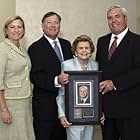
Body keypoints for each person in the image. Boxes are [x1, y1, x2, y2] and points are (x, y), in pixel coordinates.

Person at [96, 5, 140, 140]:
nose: (113, 20)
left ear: (125, 19)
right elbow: (99, 71)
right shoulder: (102, 41)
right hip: (107, 111)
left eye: (117, 16)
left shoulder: (137, 41)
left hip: (130, 109)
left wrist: (114, 83)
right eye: (110, 18)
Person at [28, 11, 73, 140]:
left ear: (59, 25)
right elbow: (35, 76)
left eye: (56, 22)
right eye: (49, 22)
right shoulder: (35, 48)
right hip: (45, 108)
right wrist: (56, 80)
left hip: (65, 107)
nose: (53, 25)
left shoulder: (66, 45)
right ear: (42, 26)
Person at [56, 35, 98, 140]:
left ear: (91, 50)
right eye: (80, 48)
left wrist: (99, 112)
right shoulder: (66, 65)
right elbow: (61, 94)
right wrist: (61, 115)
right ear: (75, 51)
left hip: (90, 114)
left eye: (87, 48)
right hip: (73, 114)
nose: (84, 50)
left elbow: (96, 93)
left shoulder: (95, 65)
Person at [0, 16, 35, 140]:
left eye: (19, 27)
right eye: (12, 27)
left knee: (24, 135)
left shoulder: (23, 50)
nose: (16, 30)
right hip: (10, 103)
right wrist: (4, 109)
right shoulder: (2, 49)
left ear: (23, 30)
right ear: (6, 30)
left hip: (24, 101)